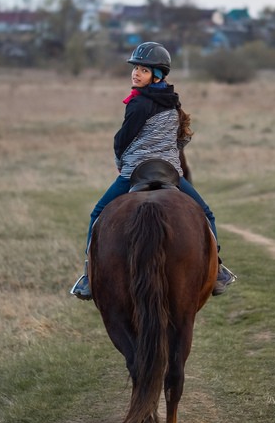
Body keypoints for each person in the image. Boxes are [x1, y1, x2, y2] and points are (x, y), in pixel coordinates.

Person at [71, 41, 236, 299]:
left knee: (97, 213)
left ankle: (88, 276)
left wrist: (120, 161)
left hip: (135, 172)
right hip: (170, 172)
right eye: (136, 68)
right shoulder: (174, 102)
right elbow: (182, 137)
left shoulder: (136, 104)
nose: (136, 73)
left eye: (144, 70)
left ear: (157, 75)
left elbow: (122, 139)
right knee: (206, 213)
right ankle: (217, 270)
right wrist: (169, 150)